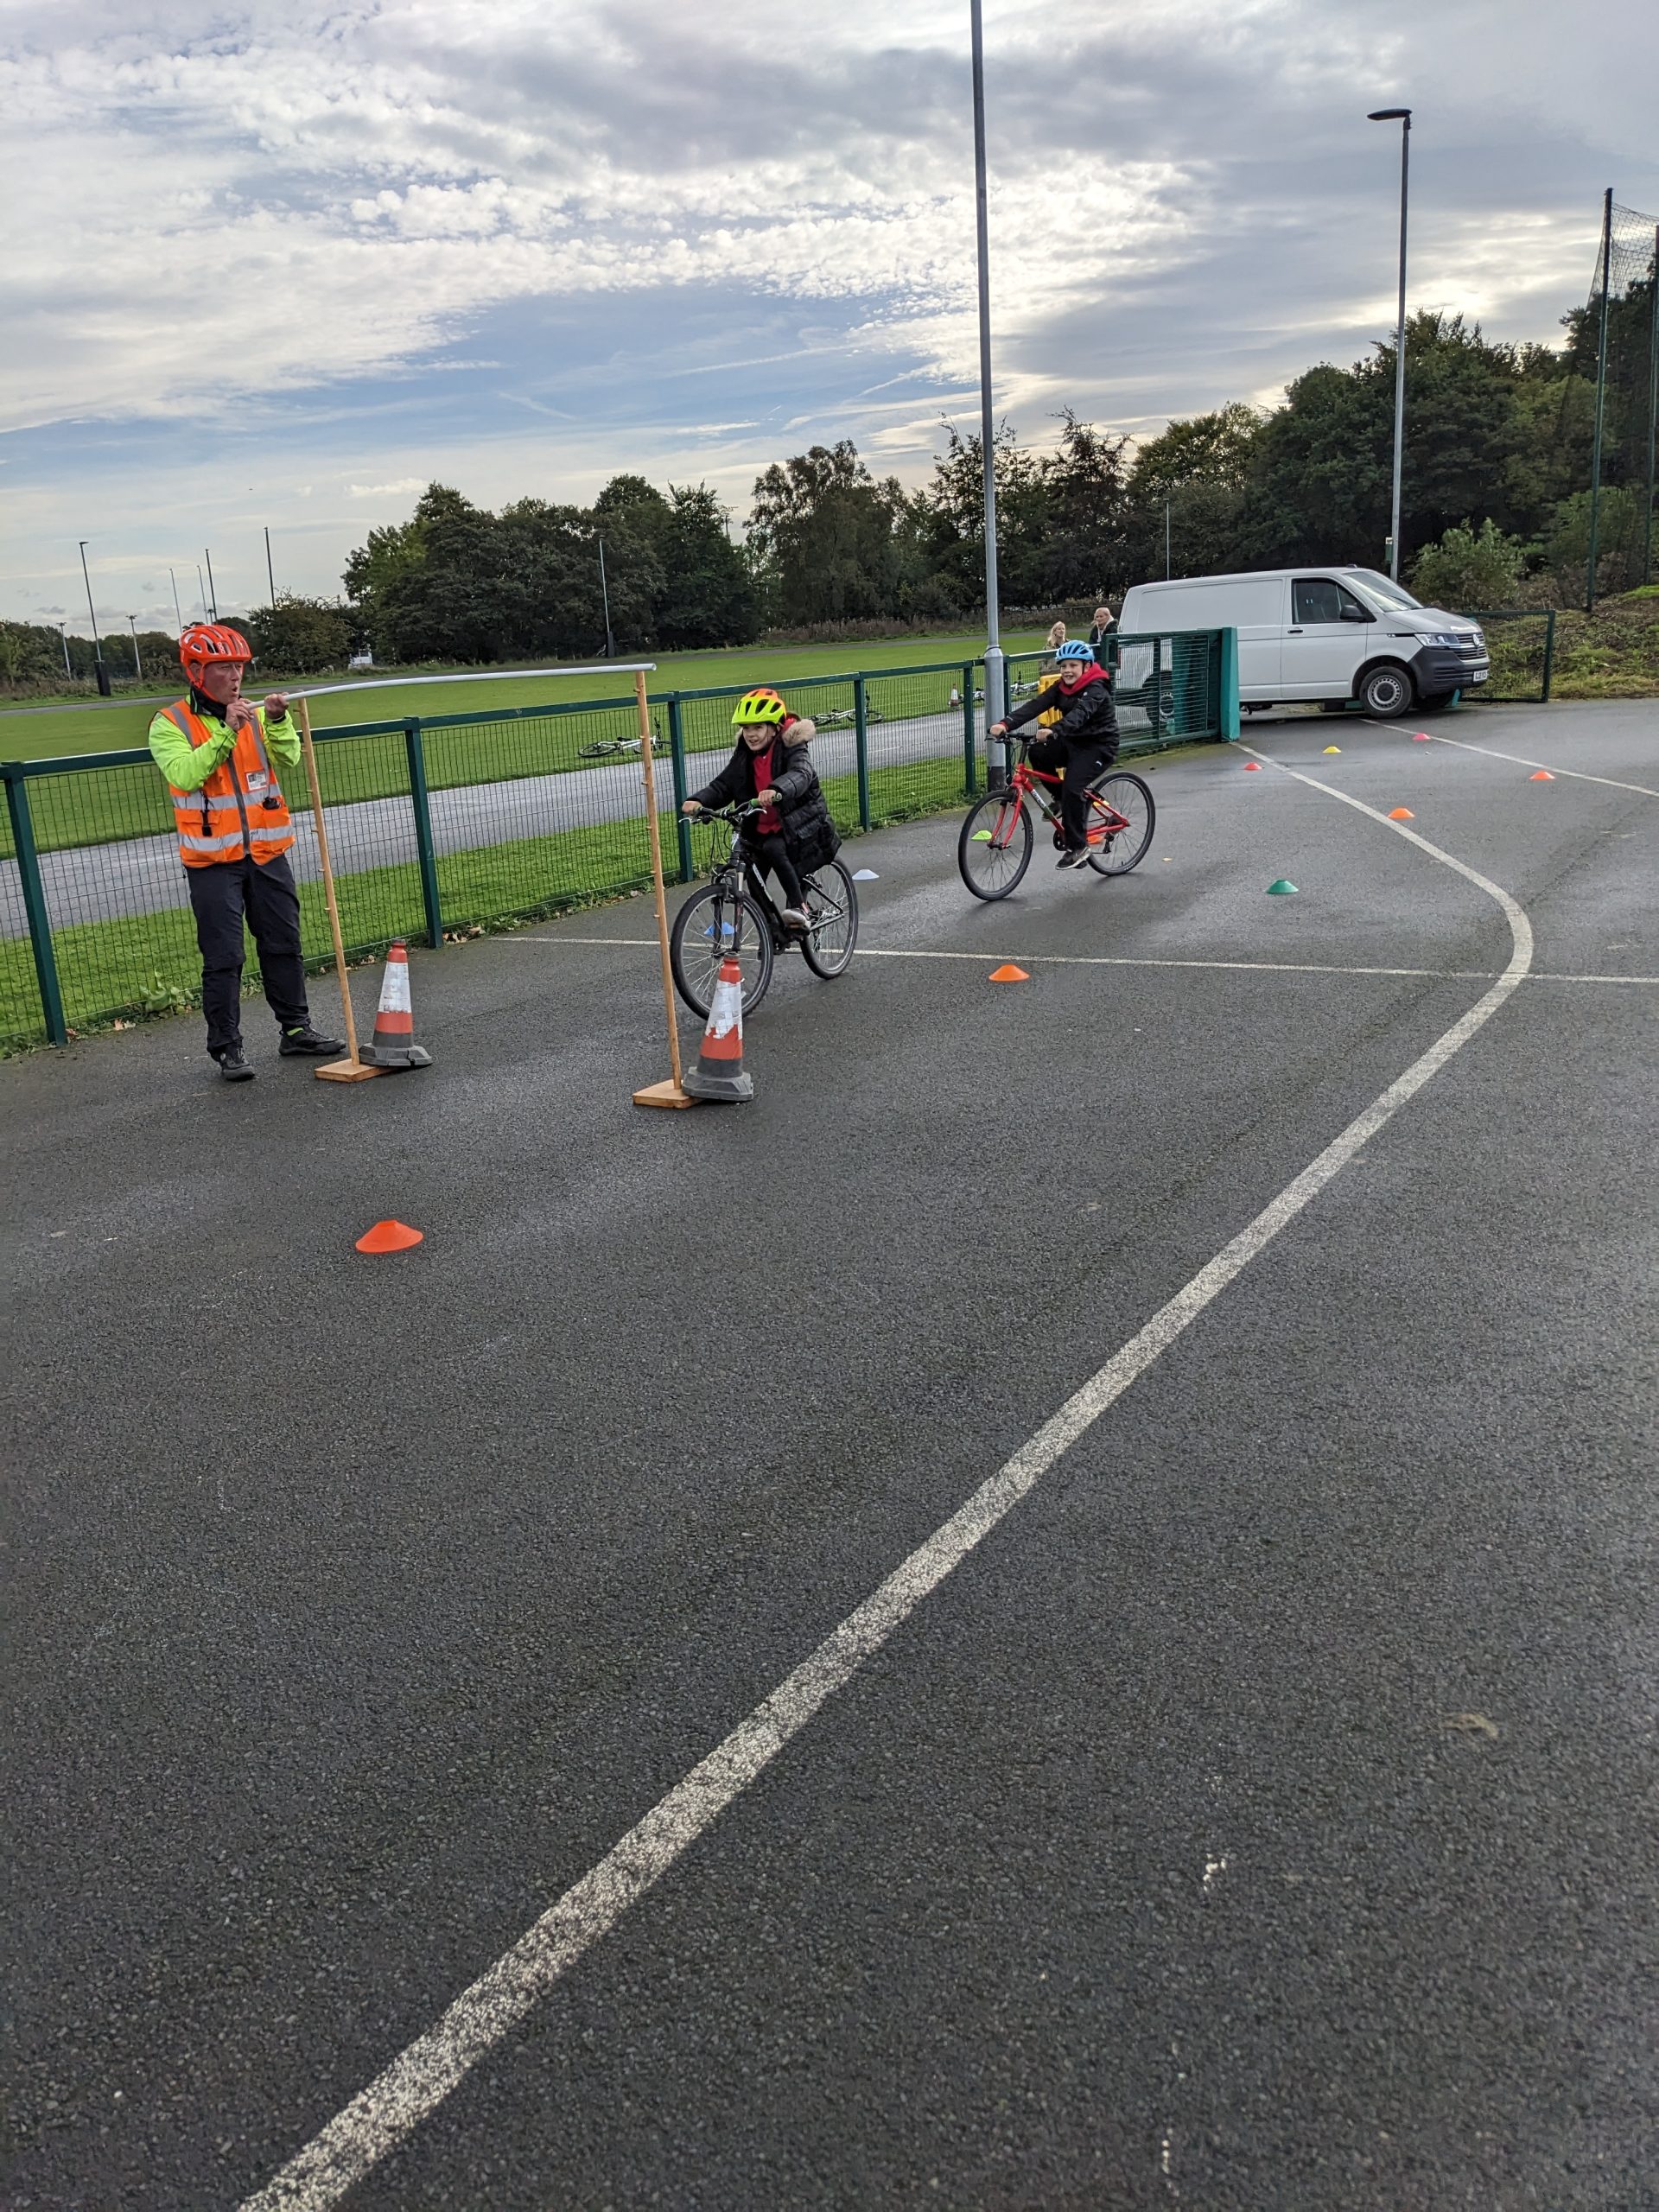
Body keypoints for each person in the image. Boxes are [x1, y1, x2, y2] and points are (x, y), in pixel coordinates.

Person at [148, 624, 342, 1081]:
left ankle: (296, 1030)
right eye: (223, 668)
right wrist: (227, 731)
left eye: (239, 667)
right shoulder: (170, 723)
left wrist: (277, 722)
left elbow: (289, 758)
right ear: (197, 672)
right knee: (224, 956)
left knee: (283, 942)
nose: (235, 676)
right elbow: (185, 774)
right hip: (213, 862)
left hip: (267, 852)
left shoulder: (253, 713)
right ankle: (227, 1047)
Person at [682, 687, 840, 927]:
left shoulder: (792, 745)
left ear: (775, 727)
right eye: (746, 728)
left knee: (774, 848)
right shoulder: (745, 753)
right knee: (752, 870)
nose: (751, 735)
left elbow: (801, 773)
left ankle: (800, 907)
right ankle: (773, 930)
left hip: (797, 825)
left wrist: (777, 789)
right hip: (760, 827)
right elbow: (725, 784)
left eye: (758, 727)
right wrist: (699, 800)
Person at [990, 639, 1119, 868]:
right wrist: (1005, 723)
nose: (1067, 670)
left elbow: (1080, 714)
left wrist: (1054, 730)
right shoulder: (1061, 687)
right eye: (1064, 666)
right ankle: (1061, 799)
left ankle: (1078, 847)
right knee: (1038, 752)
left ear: (1087, 667)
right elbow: (1036, 705)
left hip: (1099, 746)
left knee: (1073, 787)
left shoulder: (1096, 689)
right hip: (1072, 741)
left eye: (1073, 665)